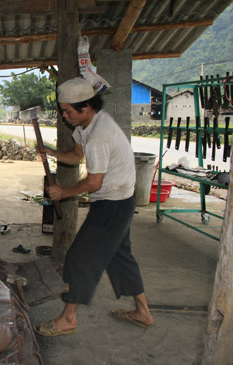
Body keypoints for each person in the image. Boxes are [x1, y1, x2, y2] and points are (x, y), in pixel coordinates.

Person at [34, 77, 153, 337]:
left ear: (86, 107)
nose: (64, 116)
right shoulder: (87, 125)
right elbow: (77, 155)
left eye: (68, 111)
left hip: (113, 204)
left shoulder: (100, 134)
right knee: (120, 257)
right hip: (119, 199)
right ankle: (142, 312)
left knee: (79, 258)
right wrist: (51, 152)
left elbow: (94, 183)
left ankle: (68, 318)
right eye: (62, 110)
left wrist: (64, 192)